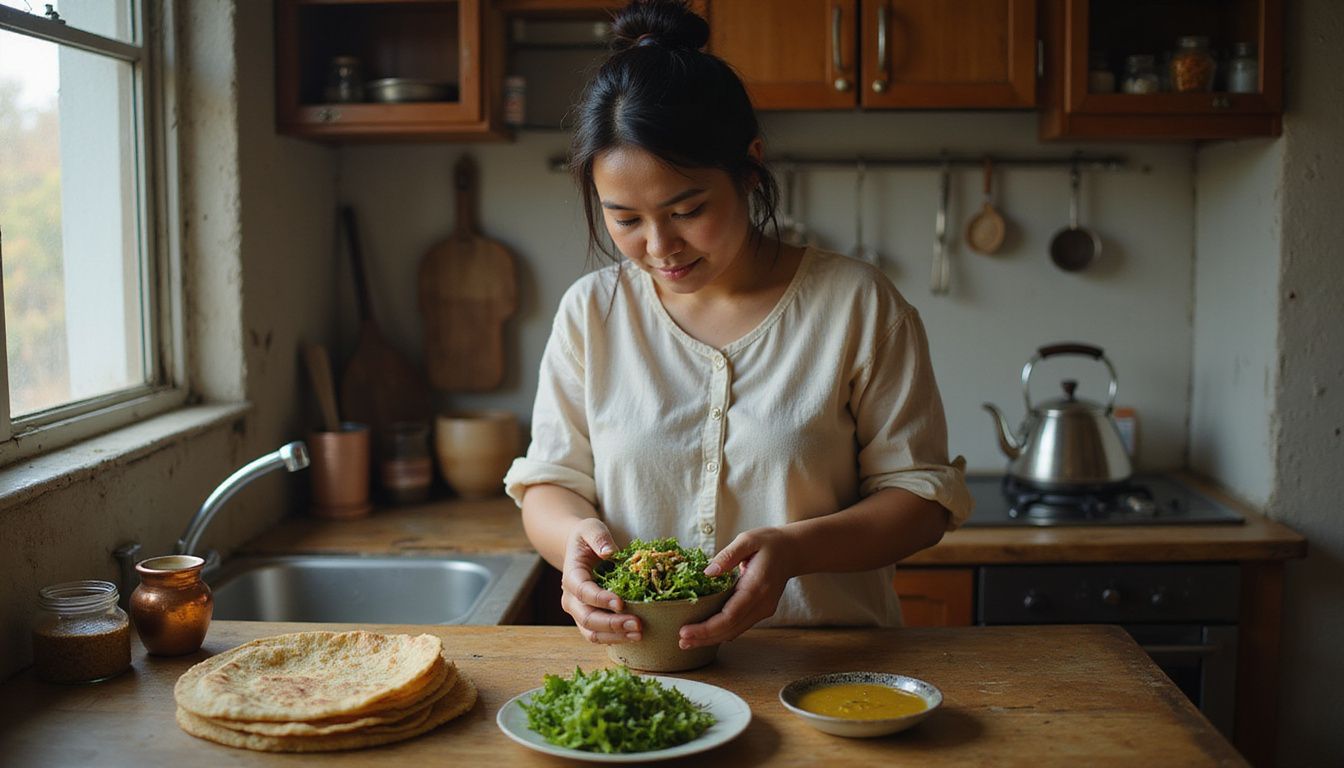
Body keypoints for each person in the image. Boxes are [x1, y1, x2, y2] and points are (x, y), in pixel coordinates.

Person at [502, 0, 972, 652]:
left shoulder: (857, 305)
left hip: (829, 665)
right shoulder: (592, 312)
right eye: (625, 219)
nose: (660, 245)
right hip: (649, 671)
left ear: (750, 167)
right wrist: (574, 544)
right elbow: (551, 483)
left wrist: (794, 549)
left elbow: (920, 502)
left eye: (687, 209)